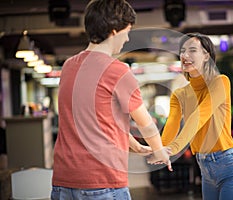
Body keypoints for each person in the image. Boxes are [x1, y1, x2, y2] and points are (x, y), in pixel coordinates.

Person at [51, 0, 171, 199]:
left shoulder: (69, 67)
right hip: (102, 182)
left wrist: (133, 144)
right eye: (127, 31)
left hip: (64, 182)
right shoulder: (117, 71)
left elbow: (94, 119)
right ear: (115, 30)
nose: (127, 38)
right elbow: (146, 124)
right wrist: (159, 151)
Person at [150, 33, 233, 200]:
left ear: (206, 56)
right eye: (183, 51)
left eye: (192, 50)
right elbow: (172, 125)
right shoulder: (180, 94)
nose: (185, 56)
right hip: (205, 171)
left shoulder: (220, 82)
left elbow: (198, 117)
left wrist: (171, 150)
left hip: (231, 168)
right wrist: (160, 149)